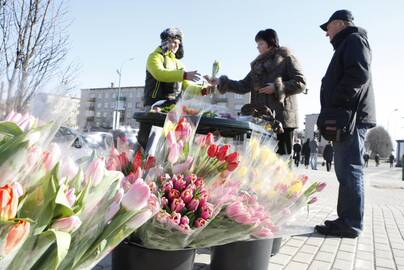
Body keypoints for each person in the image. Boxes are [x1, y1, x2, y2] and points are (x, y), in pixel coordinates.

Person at [315, 10, 376, 238]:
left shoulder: (354, 40)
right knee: (345, 171)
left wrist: (336, 101)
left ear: (339, 24)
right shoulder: (349, 42)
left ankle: (350, 223)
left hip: (350, 117)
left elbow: (358, 75)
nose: (326, 34)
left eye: (328, 28)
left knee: (350, 170)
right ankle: (346, 220)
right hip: (348, 115)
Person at [206, 28, 306, 157]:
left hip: (282, 119)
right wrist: (220, 81)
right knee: (260, 160)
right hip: (260, 120)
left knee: (282, 160)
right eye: (257, 44)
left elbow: (301, 82)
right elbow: (243, 85)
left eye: (261, 43)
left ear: (271, 43)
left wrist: (277, 87)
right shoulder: (257, 66)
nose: (258, 47)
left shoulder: (287, 59)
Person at [138, 27, 213, 150]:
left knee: (168, 146)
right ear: (164, 41)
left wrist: (203, 90)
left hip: (173, 108)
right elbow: (159, 73)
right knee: (148, 143)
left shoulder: (179, 63)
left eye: (177, 43)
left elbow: (186, 86)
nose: (174, 45)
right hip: (154, 106)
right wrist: (184, 75)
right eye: (172, 41)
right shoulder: (155, 57)